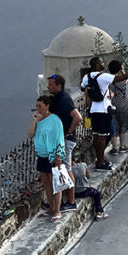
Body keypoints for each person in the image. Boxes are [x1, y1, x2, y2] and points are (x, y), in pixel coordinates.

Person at [81, 57, 128, 170]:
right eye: (101, 62)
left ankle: (100, 158)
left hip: (93, 110)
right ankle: (100, 163)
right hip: (104, 109)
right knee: (102, 137)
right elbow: (123, 77)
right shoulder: (103, 76)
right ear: (97, 65)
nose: (103, 63)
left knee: (98, 135)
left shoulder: (87, 77)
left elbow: (83, 88)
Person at [46, 73, 81, 213]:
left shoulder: (64, 100)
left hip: (66, 140)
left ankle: (71, 202)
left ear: (59, 86)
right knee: (64, 168)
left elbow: (77, 117)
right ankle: (66, 198)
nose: (48, 87)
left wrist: (68, 133)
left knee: (67, 169)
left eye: (51, 85)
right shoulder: (58, 99)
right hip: (63, 140)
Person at [28, 94, 65, 223]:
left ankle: (57, 210)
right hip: (42, 156)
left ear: (47, 106)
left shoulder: (55, 120)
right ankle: (51, 207)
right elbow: (30, 134)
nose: (37, 108)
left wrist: (59, 156)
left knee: (55, 184)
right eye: (36, 106)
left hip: (52, 156)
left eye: (40, 106)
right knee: (46, 184)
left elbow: (59, 139)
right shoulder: (39, 121)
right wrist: (35, 121)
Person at [107, 59, 128, 155]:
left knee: (114, 126)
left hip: (112, 103)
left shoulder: (108, 80)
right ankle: (122, 146)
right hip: (123, 103)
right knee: (123, 125)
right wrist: (123, 70)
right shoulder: (122, 80)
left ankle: (114, 148)